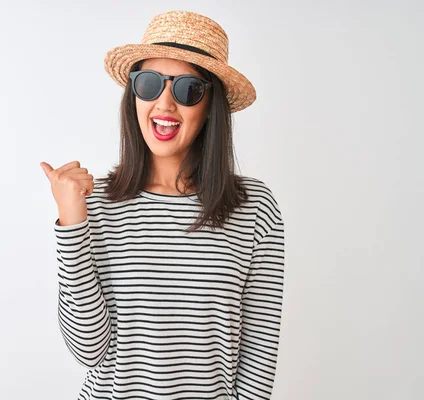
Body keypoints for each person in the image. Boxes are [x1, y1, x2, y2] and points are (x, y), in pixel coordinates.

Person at [40, 10, 285, 400]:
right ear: (133, 94)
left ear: (210, 107)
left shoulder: (255, 208)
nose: (164, 104)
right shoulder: (95, 204)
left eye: (188, 89)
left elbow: (258, 356)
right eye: (149, 84)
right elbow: (88, 350)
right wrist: (71, 223)